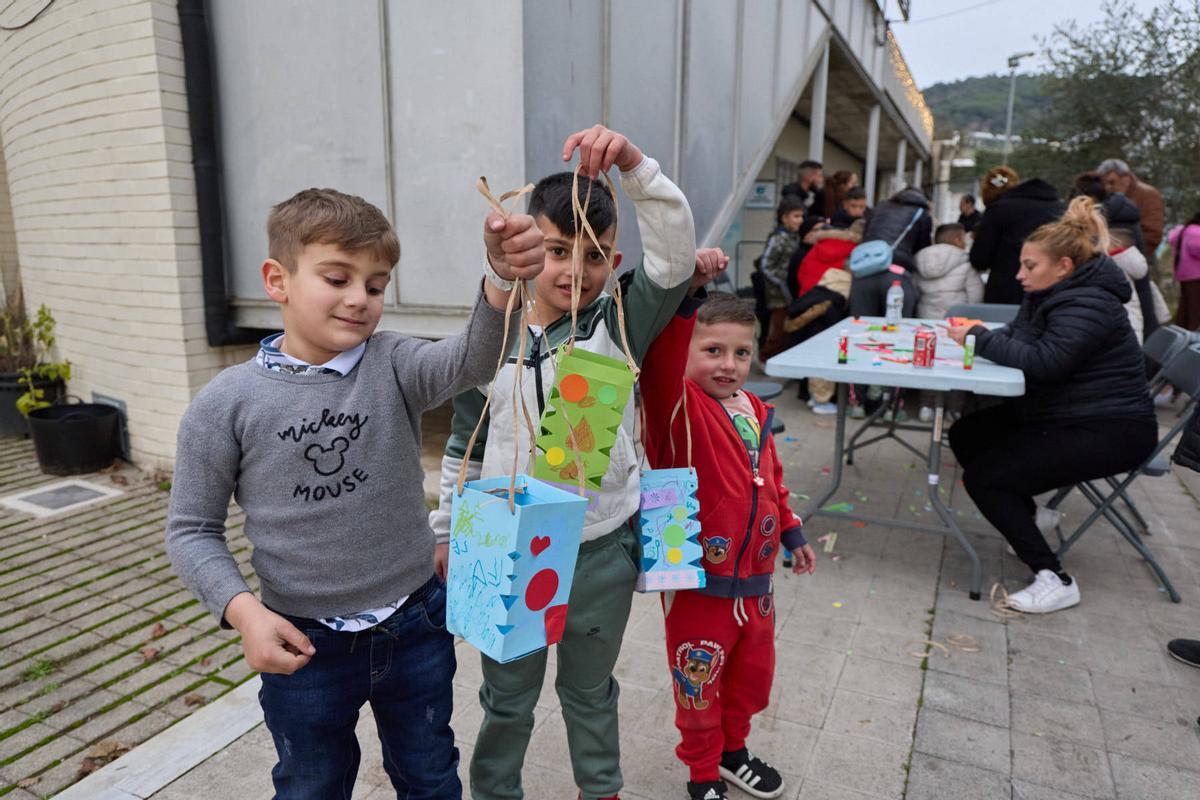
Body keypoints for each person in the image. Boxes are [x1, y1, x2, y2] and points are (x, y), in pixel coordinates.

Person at [164, 187, 545, 798]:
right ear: (277, 279)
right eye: (337, 278)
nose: (358, 299)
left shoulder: (392, 362)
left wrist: (499, 275)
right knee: (312, 784)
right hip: (303, 643)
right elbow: (190, 530)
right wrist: (244, 613)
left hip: (416, 623)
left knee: (429, 774)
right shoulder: (225, 404)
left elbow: (474, 360)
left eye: (374, 285)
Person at [431, 124, 696, 800]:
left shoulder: (621, 324)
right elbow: (463, 439)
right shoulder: (490, 338)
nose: (575, 270)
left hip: (602, 551)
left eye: (596, 255)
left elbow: (673, 253)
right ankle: (494, 790)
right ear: (525, 249)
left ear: (614, 260)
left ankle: (600, 787)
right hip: (507, 546)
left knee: (588, 689)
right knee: (507, 695)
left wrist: (636, 167)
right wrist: (447, 530)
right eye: (557, 250)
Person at [640, 290, 816, 800]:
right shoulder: (676, 407)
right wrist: (684, 292)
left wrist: (791, 529)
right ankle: (702, 774)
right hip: (697, 581)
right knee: (698, 682)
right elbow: (662, 358)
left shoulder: (757, 409)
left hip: (757, 584)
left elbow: (772, 477)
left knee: (752, 676)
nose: (728, 364)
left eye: (741, 353)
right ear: (686, 353)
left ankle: (733, 753)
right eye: (712, 350)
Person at [947, 198, 1157, 614]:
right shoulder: (1053, 293)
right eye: (1021, 264)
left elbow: (1045, 362)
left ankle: (1053, 577)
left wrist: (979, 337)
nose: (1019, 275)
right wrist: (987, 336)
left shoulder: (1088, 302)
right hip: (1068, 413)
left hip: (1112, 429)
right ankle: (1033, 518)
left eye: (1030, 267)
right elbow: (1024, 340)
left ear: (1063, 266)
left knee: (987, 478)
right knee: (966, 432)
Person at [970, 167, 1064, 305]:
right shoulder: (1061, 209)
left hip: (1005, 293)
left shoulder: (997, 210)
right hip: (1052, 292)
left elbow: (979, 259)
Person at [848, 185, 932, 319]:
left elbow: (867, 237)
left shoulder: (879, 208)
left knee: (861, 329)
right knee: (897, 329)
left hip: (864, 273)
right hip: (896, 276)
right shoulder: (921, 213)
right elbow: (923, 250)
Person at [758, 194, 807, 359]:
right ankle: (766, 358)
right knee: (778, 330)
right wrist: (782, 282)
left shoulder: (794, 237)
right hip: (778, 294)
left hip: (789, 291)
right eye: (796, 216)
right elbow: (766, 265)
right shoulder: (779, 238)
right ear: (784, 218)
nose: (800, 220)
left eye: (802, 216)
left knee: (785, 329)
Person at [1098, 158, 1165, 257]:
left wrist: (1135, 255)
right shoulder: (1107, 196)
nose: (1108, 187)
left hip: (1137, 257)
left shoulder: (1148, 195)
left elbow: (1153, 233)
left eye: (1112, 182)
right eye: (1105, 183)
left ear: (1126, 178)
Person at [1169, 211, 1200, 331]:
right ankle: (1193, 339)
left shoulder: (1185, 229)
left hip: (1184, 275)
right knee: (1195, 311)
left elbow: (1172, 238)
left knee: (1185, 308)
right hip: (1196, 276)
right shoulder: (1196, 232)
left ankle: (1180, 334)